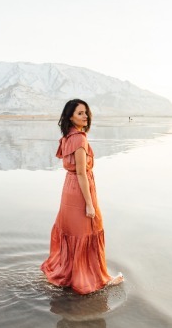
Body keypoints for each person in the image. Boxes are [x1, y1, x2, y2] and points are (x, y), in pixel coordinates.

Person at [42, 99, 123, 295]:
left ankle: (69, 275)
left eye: (86, 112)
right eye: (80, 113)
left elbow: (74, 172)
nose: (85, 116)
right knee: (90, 228)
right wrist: (89, 204)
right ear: (70, 116)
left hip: (68, 189)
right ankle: (92, 278)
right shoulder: (80, 139)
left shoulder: (68, 137)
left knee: (72, 230)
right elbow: (81, 173)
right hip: (80, 190)